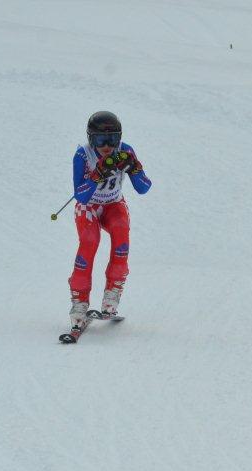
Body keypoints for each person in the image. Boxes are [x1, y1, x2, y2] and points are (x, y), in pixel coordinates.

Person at [67, 111, 152, 330]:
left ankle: (112, 294)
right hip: (88, 207)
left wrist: (134, 167)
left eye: (112, 139)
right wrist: (97, 174)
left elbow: (143, 188)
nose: (107, 146)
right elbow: (81, 196)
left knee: (121, 238)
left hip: (113, 205)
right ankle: (79, 303)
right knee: (89, 242)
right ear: (90, 139)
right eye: (100, 140)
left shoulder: (125, 151)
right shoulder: (83, 155)